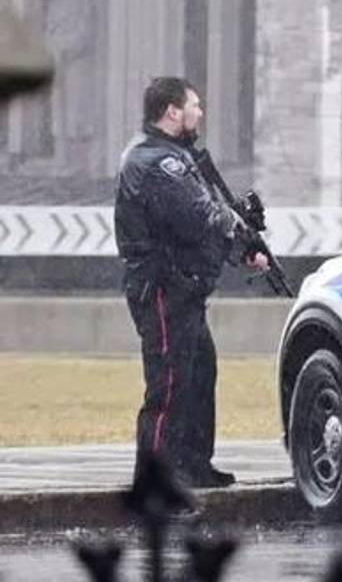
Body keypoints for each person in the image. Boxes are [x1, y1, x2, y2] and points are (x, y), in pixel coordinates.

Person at [114, 77, 268, 488]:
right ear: (171, 112)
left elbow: (205, 219)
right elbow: (201, 217)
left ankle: (192, 465)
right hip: (163, 290)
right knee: (168, 384)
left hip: (184, 290)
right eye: (194, 106)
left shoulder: (172, 156)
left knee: (199, 374)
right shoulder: (156, 162)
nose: (200, 113)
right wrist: (241, 235)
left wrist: (242, 249)